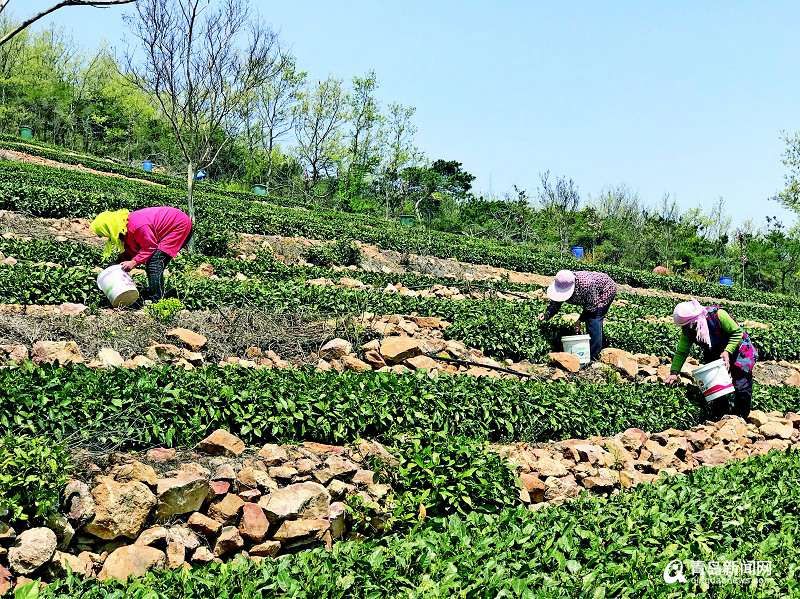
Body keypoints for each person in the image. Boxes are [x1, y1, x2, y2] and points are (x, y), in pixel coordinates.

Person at [665, 300, 758, 418]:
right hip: (715, 351)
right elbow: (682, 352)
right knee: (716, 384)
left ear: (693, 319)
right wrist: (674, 372)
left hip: (739, 350)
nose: (687, 328)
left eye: (688, 325)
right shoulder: (689, 330)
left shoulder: (718, 315)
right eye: (685, 326)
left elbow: (736, 333)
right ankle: (721, 414)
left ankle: (740, 416)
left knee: (741, 384)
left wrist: (727, 351)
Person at [90, 206, 193, 301]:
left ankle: (156, 298)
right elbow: (131, 250)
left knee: (154, 263)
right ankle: (154, 291)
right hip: (170, 225)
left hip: (179, 225)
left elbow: (150, 247)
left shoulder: (137, 226)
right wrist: (115, 265)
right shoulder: (124, 228)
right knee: (152, 261)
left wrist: (134, 262)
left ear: (110, 228)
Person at [539, 270, 617, 361]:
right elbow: (555, 303)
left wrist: (580, 320)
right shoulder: (562, 281)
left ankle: (593, 355)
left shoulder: (586, 285)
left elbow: (592, 306)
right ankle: (601, 342)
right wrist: (546, 315)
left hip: (605, 290)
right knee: (591, 320)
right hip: (593, 294)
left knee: (594, 318)